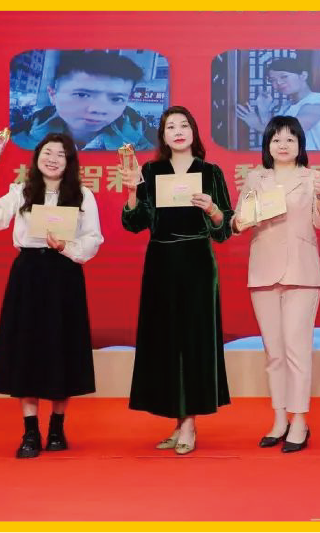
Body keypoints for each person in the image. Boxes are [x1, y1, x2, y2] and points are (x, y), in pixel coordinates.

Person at [0, 132, 103, 458]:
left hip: (64, 275)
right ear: (37, 157)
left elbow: (93, 239)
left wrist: (67, 246)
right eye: (47, 152)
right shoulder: (22, 191)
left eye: (61, 154)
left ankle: (57, 427)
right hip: (28, 275)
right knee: (27, 349)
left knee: (62, 348)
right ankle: (30, 431)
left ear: (69, 162)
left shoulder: (83, 195)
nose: (53, 159)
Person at [121, 106, 234, 455]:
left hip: (198, 262)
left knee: (194, 340)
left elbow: (224, 229)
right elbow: (135, 223)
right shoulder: (150, 171)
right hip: (161, 262)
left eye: (184, 125)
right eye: (171, 126)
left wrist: (211, 209)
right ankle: (177, 419)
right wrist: (132, 191)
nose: (178, 131)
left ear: (194, 132)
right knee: (165, 341)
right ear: (163, 136)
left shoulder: (210, 172)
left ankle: (189, 425)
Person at [232, 116, 320, 453]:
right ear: (268, 145)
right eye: (276, 139)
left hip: (302, 271)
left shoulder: (311, 178)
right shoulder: (256, 177)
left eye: (290, 139)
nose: (283, 145)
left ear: (301, 144)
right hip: (263, 270)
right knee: (274, 352)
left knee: (296, 349)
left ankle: (299, 420)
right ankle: (279, 419)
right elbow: (237, 222)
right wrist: (248, 216)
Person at [13, 51, 157, 151]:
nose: (98, 109)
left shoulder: (149, 146)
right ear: (53, 95)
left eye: (116, 99)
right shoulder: (14, 140)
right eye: (82, 95)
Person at [236, 56, 320, 151]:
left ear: (303, 75)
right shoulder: (287, 105)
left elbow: (292, 132)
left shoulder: (317, 102)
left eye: (284, 76)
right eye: (273, 80)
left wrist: (256, 124)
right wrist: (264, 110)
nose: (278, 82)